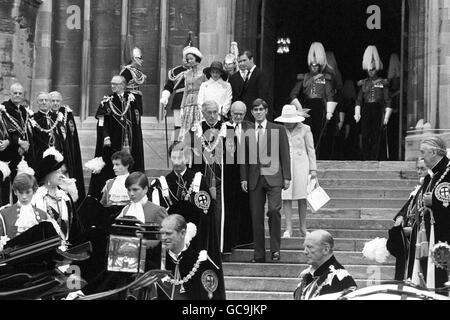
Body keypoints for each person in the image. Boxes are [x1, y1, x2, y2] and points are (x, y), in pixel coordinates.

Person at [240, 99, 291, 263]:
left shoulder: (278, 129)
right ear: (252, 112)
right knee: (256, 216)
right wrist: (243, 178)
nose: (258, 112)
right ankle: (259, 254)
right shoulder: (246, 131)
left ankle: (275, 250)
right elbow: (243, 157)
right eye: (255, 109)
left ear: (266, 111)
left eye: (261, 109)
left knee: (274, 211)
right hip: (254, 178)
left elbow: (285, 153)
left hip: (274, 176)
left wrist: (287, 176)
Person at [88, 75, 144, 200]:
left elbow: (137, 119)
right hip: (114, 141)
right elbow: (102, 123)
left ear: (123, 85)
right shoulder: (107, 101)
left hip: (129, 140)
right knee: (113, 166)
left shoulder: (132, 99)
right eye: (112, 84)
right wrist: (106, 137)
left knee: (130, 163)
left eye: (116, 84)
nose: (112, 86)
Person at [407, 137, 450, 292]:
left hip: (443, 237)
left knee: (440, 279)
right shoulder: (432, 175)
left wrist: (435, 201)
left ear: (433, 152)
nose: (422, 156)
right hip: (429, 235)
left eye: (423, 152)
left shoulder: (448, 171)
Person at [158, 214, 226, 300]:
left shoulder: (202, 263)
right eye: (162, 233)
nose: (163, 238)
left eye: (168, 233)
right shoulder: (155, 261)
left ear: (182, 233)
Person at [275, 105, 316, 238]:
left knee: (302, 197)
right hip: (285, 166)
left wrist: (313, 168)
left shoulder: (305, 129)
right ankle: (288, 228)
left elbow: (311, 149)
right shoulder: (280, 129)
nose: (288, 123)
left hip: (301, 165)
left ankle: (303, 227)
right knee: (286, 197)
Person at [289, 42, 337, 157]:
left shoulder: (326, 78)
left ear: (320, 65)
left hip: (320, 106)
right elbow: (293, 94)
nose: (314, 67)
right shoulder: (303, 77)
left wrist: (329, 112)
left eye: (316, 65)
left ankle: (316, 158)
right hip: (306, 106)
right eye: (312, 65)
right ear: (309, 65)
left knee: (318, 133)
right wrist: (300, 109)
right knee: (305, 133)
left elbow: (329, 95)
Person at [388, 157, 428, 281]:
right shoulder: (418, 190)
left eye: (422, 168)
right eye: (417, 168)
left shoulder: (428, 188)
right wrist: (400, 218)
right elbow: (405, 211)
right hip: (408, 241)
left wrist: (413, 230)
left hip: (419, 240)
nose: (419, 171)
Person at [221, 101, 253, 254]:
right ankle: (231, 240)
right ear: (230, 113)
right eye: (235, 114)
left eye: (241, 114)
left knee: (245, 206)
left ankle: (245, 240)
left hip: (247, 172)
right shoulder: (224, 127)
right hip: (230, 172)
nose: (238, 117)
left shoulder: (250, 127)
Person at [191, 101, 224, 242]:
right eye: (209, 112)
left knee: (218, 212)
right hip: (201, 177)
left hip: (220, 177)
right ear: (203, 113)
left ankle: (217, 244)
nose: (212, 115)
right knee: (201, 211)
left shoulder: (225, 128)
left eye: (215, 112)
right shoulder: (195, 130)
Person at [32, 150, 80, 245]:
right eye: (57, 172)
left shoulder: (65, 197)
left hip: (67, 249)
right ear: (47, 174)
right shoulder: (36, 199)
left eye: (61, 171)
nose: (61, 175)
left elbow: (75, 228)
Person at [354, 45, 392, 161]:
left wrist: (386, 116)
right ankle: (366, 157)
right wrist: (357, 112)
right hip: (366, 108)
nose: (371, 72)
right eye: (369, 70)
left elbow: (387, 100)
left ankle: (374, 157)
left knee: (376, 134)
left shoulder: (382, 82)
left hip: (377, 108)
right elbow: (359, 99)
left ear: (377, 69)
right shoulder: (363, 83)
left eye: (373, 69)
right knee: (365, 134)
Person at [294, 230, 357, 300]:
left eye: (310, 247)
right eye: (305, 247)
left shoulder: (341, 278)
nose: (305, 251)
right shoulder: (308, 275)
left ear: (326, 249)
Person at [49, 91, 85, 205]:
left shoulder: (66, 114)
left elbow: (71, 139)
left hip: (66, 157)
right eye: (52, 101)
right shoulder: (44, 115)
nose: (55, 103)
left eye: (57, 101)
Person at [160, 32, 192, 136]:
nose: (188, 60)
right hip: (179, 101)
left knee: (193, 128)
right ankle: (177, 149)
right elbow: (169, 87)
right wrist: (165, 97)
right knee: (178, 127)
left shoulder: (200, 72)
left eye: (190, 58)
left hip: (194, 102)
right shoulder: (175, 72)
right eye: (186, 58)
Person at [0, 174, 48, 242]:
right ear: (15, 192)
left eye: (28, 192)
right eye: (21, 192)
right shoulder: (4, 214)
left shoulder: (42, 214)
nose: (24, 196)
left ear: (34, 191)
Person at [0, 83, 35, 174]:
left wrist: (25, 145)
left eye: (20, 93)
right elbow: (4, 132)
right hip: (7, 153)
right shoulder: (3, 109)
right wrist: (16, 141)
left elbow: (26, 131)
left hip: (22, 153)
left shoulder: (24, 111)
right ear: (10, 94)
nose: (17, 95)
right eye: (15, 93)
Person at [229, 50, 272, 121]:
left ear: (251, 59)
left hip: (256, 114)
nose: (242, 63)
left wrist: (259, 113)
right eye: (239, 62)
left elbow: (263, 96)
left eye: (244, 60)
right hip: (246, 115)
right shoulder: (247, 74)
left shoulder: (260, 74)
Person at [178, 47, 207, 142]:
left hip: (199, 105)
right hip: (188, 106)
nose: (189, 61)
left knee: (197, 129)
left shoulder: (204, 73)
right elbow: (185, 91)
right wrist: (182, 107)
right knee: (186, 130)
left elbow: (206, 89)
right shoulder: (187, 74)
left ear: (197, 59)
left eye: (191, 58)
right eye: (188, 59)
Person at [30, 92, 64, 162]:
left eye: (46, 100)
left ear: (49, 102)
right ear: (37, 103)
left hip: (58, 159)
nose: (44, 102)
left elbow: (63, 140)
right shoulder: (33, 119)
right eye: (41, 100)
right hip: (40, 160)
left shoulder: (57, 118)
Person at [120, 47, 147, 116]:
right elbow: (120, 86)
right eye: (140, 58)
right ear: (134, 59)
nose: (142, 60)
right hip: (129, 97)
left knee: (137, 120)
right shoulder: (127, 71)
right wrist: (126, 95)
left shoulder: (137, 71)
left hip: (137, 96)